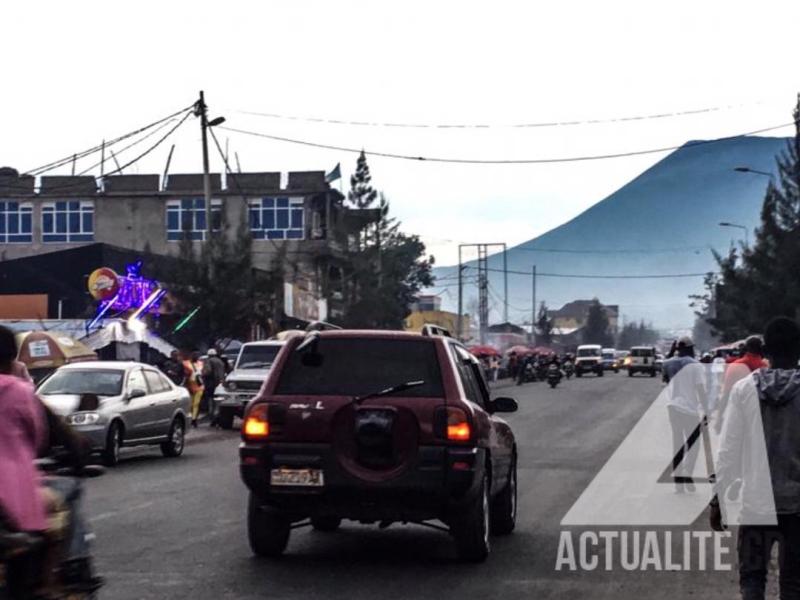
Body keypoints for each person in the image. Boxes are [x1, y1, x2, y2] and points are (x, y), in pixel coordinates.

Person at [712, 317, 800, 600]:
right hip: (797, 505)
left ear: (765, 352)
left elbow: (729, 449)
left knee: (752, 581)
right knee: (793, 584)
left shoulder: (744, 390)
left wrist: (719, 499)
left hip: (755, 503)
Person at [662, 336, 707, 493]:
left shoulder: (668, 363)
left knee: (677, 443)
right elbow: (700, 388)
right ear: (690, 348)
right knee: (693, 444)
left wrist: (671, 352)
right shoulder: (695, 366)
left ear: (677, 348)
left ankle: (678, 483)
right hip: (689, 409)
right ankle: (687, 472)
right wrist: (706, 410)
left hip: (672, 407)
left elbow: (665, 379)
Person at [202, 349, 226, 427]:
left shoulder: (209, 361)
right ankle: (218, 417)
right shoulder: (220, 361)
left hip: (211, 384)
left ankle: (213, 419)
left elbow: (207, 371)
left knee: (211, 402)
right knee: (218, 402)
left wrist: (202, 374)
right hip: (220, 384)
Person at [183, 351, 204, 428]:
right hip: (190, 385)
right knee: (191, 404)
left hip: (199, 386)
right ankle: (191, 418)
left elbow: (203, 372)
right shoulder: (186, 363)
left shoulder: (201, 363)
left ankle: (194, 419)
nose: (196, 357)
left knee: (196, 403)